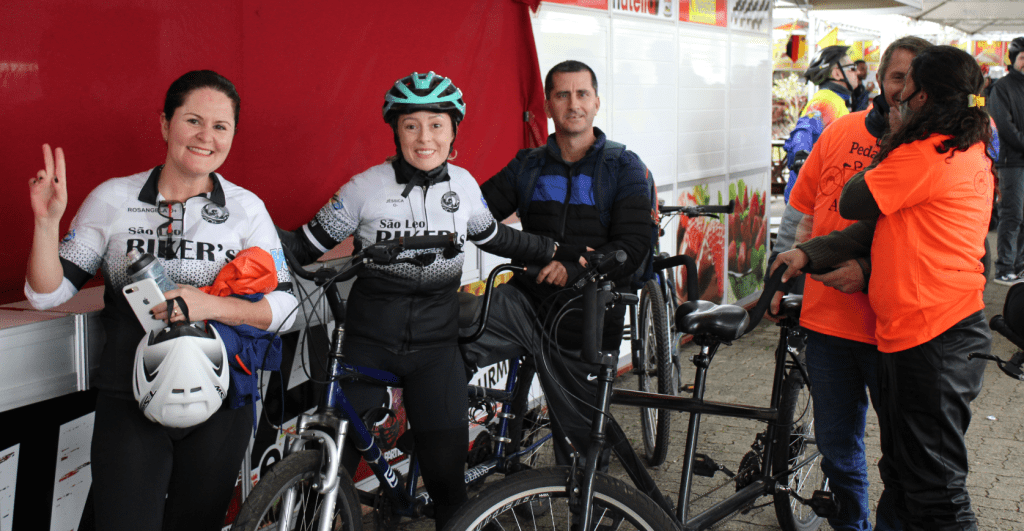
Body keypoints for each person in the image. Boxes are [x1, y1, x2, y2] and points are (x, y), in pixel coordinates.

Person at [278, 71, 558, 530]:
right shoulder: (364, 188)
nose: (424, 137)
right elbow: (302, 247)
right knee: (333, 468)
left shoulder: (464, 186)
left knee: (449, 485)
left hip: (436, 349)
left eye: (436, 124)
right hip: (368, 343)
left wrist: (553, 251)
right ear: (396, 131)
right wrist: (244, 233)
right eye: (412, 125)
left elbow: (495, 236)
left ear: (452, 133)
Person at [25, 70, 298, 530]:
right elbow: (47, 293)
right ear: (165, 123)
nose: (205, 137)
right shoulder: (113, 198)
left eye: (220, 126)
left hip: (220, 401)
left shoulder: (247, 208)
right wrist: (47, 225)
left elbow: (286, 309)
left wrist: (209, 306)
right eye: (192, 120)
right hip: (128, 400)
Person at [773, 45, 993, 531]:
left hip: (933, 338)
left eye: (906, 86)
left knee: (936, 493)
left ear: (923, 97)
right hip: (923, 336)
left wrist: (893, 138)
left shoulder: (928, 151)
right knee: (905, 479)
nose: (896, 97)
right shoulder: (962, 144)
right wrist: (808, 254)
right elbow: (874, 229)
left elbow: (854, 200)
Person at [460, 60, 654, 468]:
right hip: (525, 303)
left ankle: (593, 503)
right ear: (548, 105)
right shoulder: (527, 166)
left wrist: (576, 269)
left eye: (582, 93)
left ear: (597, 102)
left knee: (581, 450)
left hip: (587, 314)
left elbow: (632, 246)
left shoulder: (624, 168)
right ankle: (443, 430)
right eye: (562, 94)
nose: (573, 104)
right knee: (452, 331)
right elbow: (474, 212)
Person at [783, 45, 861, 203]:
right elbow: (804, 129)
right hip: (807, 198)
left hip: (816, 194)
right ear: (837, 73)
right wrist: (801, 154)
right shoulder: (826, 100)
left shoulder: (836, 100)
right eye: (852, 68)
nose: (857, 72)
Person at [988, 36, 1024, 285]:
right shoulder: (1002, 87)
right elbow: (1003, 125)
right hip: (1012, 161)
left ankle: (1020, 265)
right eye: (1023, 57)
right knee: (1013, 214)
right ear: (1013, 60)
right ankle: (1004, 267)